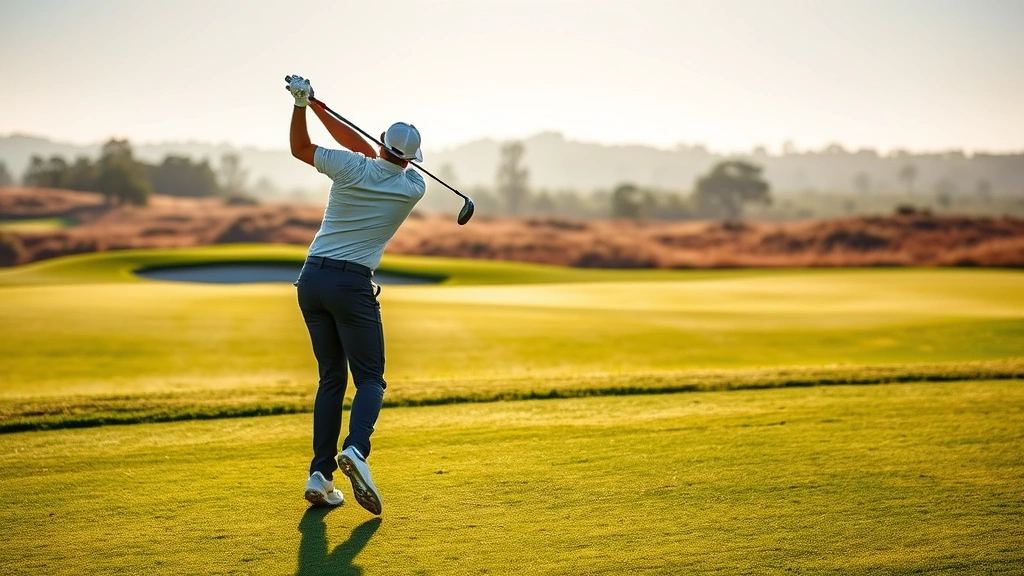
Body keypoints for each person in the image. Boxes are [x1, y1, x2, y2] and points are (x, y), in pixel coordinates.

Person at [285, 75, 426, 514]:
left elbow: (301, 149)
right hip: (351, 285)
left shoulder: (351, 166)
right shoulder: (412, 188)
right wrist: (319, 105)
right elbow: (376, 154)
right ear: (411, 158)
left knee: (331, 378)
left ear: (380, 142)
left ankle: (321, 476)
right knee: (371, 380)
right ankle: (357, 450)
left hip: (312, 280)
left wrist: (304, 106)